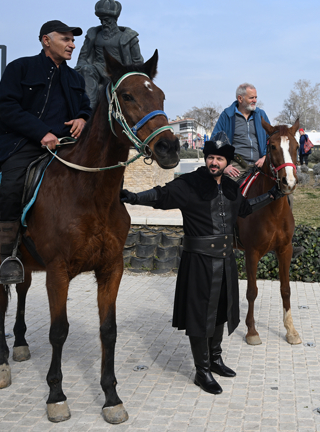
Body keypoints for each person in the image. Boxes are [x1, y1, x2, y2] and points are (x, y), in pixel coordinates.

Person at [120, 133, 282, 394]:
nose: (214, 162)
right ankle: (202, 370)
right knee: (199, 316)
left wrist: (272, 195)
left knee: (220, 311)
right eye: (210, 157)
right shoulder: (190, 184)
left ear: (226, 161)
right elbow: (161, 195)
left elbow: (245, 209)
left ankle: (215, 359)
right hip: (199, 262)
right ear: (205, 159)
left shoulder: (230, 187)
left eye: (219, 158)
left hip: (226, 260)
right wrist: (133, 197)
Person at [0, 20, 92, 284]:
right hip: (22, 142)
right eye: (66, 39)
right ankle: (9, 255)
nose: (72, 44)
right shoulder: (20, 67)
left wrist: (82, 118)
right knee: (11, 188)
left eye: (73, 40)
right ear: (46, 40)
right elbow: (6, 106)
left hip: (65, 145)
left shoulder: (75, 77)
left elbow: (85, 106)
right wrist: (40, 133)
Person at [75, 0, 144, 109]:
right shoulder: (93, 35)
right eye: (101, 20)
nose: (104, 23)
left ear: (114, 20)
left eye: (107, 20)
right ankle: (90, 106)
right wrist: (79, 69)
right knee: (86, 69)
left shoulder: (129, 38)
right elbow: (83, 57)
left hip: (119, 71)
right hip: (98, 68)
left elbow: (138, 62)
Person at [211, 83, 271, 181]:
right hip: (236, 166)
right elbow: (215, 142)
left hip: (260, 164)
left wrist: (265, 157)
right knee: (228, 191)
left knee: (281, 190)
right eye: (251, 98)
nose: (255, 100)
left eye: (256, 97)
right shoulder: (227, 115)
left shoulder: (261, 115)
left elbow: (271, 138)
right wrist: (224, 167)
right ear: (240, 99)